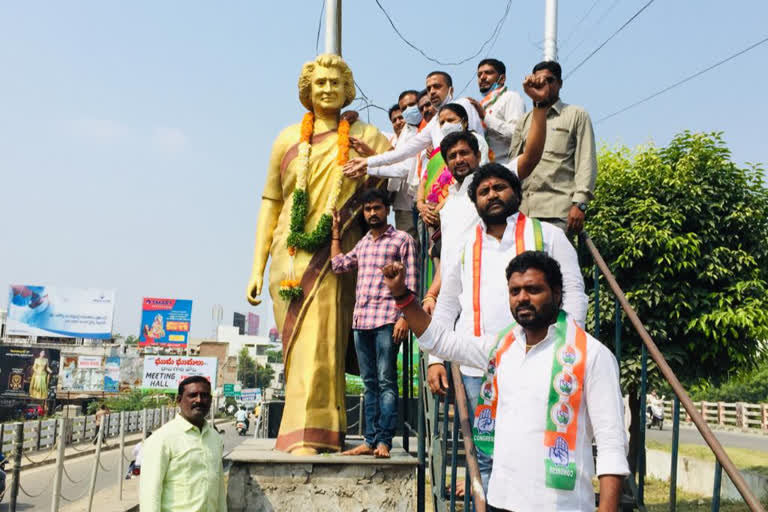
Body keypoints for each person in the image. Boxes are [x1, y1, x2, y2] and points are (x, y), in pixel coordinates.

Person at [381, 252, 629, 512]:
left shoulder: (592, 355)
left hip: (562, 506)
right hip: (500, 501)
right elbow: (441, 341)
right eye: (515, 291)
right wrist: (402, 296)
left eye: (533, 289)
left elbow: (611, 441)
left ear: (556, 293)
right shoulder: (501, 348)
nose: (522, 297)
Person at [246, 54, 392, 455]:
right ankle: (299, 431)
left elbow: (397, 178)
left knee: (323, 342)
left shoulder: (370, 137)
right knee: (296, 345)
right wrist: (256, 267)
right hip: (288, 254)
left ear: (348, 89)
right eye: (319, 83)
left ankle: (314, 435)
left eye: (334, 82)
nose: (327, 89)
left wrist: (372, 162)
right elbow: (270, 201)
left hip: (339, 251)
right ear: (306, 92)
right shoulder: (287, 139)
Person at [427, 163, 589, 496]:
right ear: (476, 203)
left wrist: (567, 344)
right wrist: (434, 359)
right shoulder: (462, 246)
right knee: (487, 458)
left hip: (541, 360)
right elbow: (446, 306)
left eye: (499, 187)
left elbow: (573, 290)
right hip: (478, 369)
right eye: (484, 192)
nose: (492, 195)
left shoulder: (548, 235)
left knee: (537, 448)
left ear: (517, 192)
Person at [422, 72, 555, 314]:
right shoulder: (450, 203)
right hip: (451, 303)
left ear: (478, 155)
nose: (459, 160)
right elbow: (450, 257)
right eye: (452, 156)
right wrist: (431, 294)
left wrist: (539, 107)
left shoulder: (492, 184)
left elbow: (531, 157)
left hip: (489, 296)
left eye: (464, 153)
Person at [330, 188, 418, 458]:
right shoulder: (365, 243)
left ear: (387, 209)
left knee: (386, 382)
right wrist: (335, 235)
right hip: (362, 321)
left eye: (376, 208)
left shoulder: (402, 240)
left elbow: (412, 282)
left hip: (387, 320)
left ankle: (384, 442)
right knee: (369, 383)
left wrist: (405, 317)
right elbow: (339, 265)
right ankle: (369, 440)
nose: (372, 214)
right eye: (367, 210)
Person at [508, 61, 597, 234]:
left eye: (549, 80)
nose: (544, 85)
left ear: (560, 83)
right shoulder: (525, 121)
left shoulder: (576, 115)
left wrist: (580, 205)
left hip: (558, 213)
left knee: (554, 261)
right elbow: (514, 165)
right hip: (523, 212)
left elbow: (586, 163)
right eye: (539, 81)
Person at [343, 70, 484, 179]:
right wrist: (367, 163)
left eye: (437, 86)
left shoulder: (464, 104)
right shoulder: (434, 122)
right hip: (445, 186)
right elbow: (404, 151)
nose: (432, 92)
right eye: (429, 89)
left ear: (450, 90)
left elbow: (478, 144)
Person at [140, 376, 225, 512]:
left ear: (210, 400)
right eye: (192, 395)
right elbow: (150, 493)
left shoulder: (214, 438)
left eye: (204, 396)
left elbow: (219, 486)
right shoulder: (162, 438)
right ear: (179, 400)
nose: (199, 400)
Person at [364, 89, 423, 245]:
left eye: (412, 105)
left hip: (425, 201)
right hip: (403, 205)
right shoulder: (397, 138)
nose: (399, 121)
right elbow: (370, 133)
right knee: (408, 246)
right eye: (395, 119)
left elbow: (402, 168)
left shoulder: (427, 129)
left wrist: (367, 166)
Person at [467, 58, 525, 166]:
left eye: (488, 73)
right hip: (484, 171)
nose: (482, 77)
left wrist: (485, 117)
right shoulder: (481, 105)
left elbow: (517, 135)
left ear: (502, 79)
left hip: (506, 168)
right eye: (479, 75)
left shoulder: (511, 97)